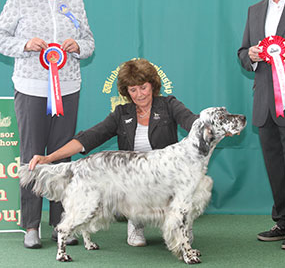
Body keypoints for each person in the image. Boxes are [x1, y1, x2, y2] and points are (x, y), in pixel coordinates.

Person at [28, 58, 198, 247]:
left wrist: (213, 126)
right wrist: (49, 158)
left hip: (165, 179)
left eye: (143, 87)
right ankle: (136, 222)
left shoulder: (169, 105)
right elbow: (89, 138)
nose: (139, 94)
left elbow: (192, 122)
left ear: (152, 85)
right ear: (126, 92)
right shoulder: (122, 113)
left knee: (182, 223)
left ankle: (179, 222)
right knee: (125, 182)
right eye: (133, 90)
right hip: (132, 184)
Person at [0, 0, 95, 249]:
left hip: (68, 88)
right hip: (30, 88)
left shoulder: (75, 1)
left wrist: (78, 46)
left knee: (62, 157)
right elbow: (1, 38)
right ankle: (30, 225)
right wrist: (25, 45)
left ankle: (60, 223)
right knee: (31, 156)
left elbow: (90, 42)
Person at [238, 0, 285, 250]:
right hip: (264, 103)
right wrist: (249, 56)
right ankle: (282, 222)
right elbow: (241, 52)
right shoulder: (254, 10)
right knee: (275, 166)